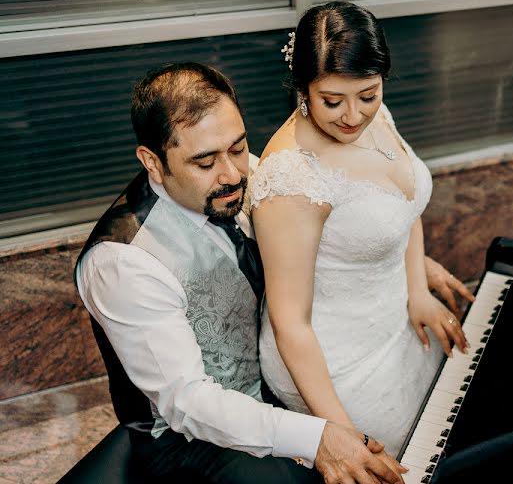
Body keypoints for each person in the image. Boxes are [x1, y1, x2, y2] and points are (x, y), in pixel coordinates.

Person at [75, 62, 419, 484]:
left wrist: (403, 263)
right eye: (204, 162)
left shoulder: (243, 174)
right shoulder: (122, 261)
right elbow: (187, 402)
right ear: (153, 162)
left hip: (273, 382)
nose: (234, 173)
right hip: (191, 438)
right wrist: (315, 438)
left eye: (237, 147)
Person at [251, 1, 469, 457]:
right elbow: (290, 322)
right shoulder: (292, 178)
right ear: (303, 90)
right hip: (337, 366)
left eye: (368, 94)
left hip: (396, 320)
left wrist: (417, 291)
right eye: (332, 101)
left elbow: (402, 204)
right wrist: (341, 434)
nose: (352, 116)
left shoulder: (376, 118)